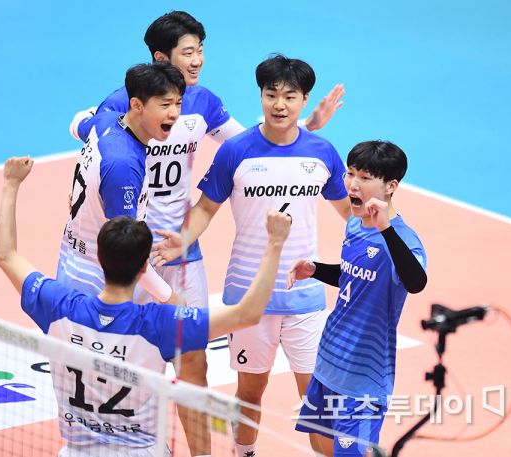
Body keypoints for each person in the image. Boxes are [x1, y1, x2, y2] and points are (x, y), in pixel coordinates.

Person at [69, 11, 345, 456]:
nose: (198, 60)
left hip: (180, 252)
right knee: (119, 362)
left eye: (200, 51)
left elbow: (254, 143)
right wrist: (89, 126)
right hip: (127, 251)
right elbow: (85, 127)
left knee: (193, 364)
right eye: (188, 52)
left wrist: (307, 129)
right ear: (162, 58)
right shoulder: (123, 106)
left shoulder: (203, 103)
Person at [0, 156, 292, 457]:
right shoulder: (160, 324)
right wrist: (275, 244)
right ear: (143, 269)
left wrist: (10, 184)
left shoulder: (59, 306)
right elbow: (248, 313)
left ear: (100, 258)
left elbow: (6, 255)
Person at [151, 54, 352, 457]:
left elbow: (350, 211)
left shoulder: (323, 152)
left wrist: (384, 236)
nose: (279, 104)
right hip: (247, 300)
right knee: (250, 391)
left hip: (305, 297)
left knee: (316, 399)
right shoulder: (236, 151)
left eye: (290, 97)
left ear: (304, 100)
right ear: (260, 96)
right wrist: (182, 239)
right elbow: (206, 208)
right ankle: (244, 454)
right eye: (271, 94)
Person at [287, 140, 427, 456]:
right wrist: (315, 269)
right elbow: (353, 276)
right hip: (329, 360)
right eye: (350, 173)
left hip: (363, 379)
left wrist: (386, 229)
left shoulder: (404, 240)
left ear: (391, 186)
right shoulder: (354, 223)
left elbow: (416, 282)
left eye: (365, 178)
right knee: (321, 445)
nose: (352, 184)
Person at [58, 61, 185, 305]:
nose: (174, 114)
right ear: (136, 105)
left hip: (72, 260)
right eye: (165, 104)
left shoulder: (104, 122)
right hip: (99, 283)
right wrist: (169, 297)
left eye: (178, 103)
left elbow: (77, 122)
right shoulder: (124, 166)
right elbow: (126, 251)